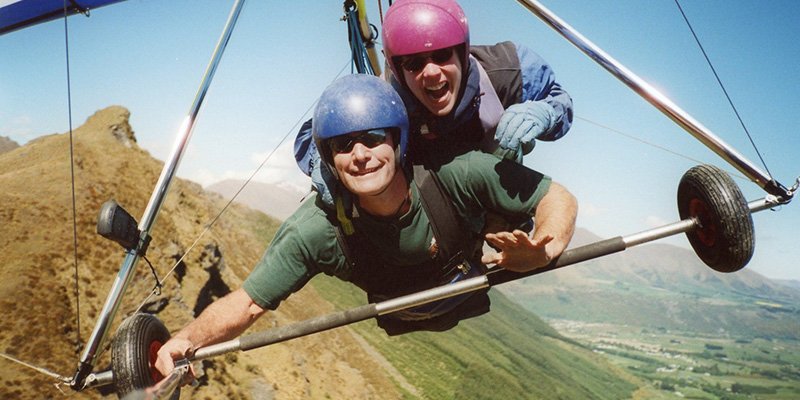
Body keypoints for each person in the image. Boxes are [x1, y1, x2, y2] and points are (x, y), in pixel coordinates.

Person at [155, 74, 577, 377]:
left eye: (374, 137)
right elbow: (247, 302)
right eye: (343, 144)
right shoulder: (318, 228)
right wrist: (184, 340)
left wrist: (544, 247)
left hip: (462, 273)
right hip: (403, 306)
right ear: (329, 159)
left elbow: (556, 197)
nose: (360, 154)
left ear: (398, 141)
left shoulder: (456, 174)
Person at [294, 0, 573, 208]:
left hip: (490, 183)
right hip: (430, 195)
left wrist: (547, 113)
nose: (431, 73)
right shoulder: (385, 97)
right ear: (398, 69)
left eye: (441, 56)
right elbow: (320, 126)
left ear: (461, 52)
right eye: (413, 64)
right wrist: (322, 158)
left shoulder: (507, 70)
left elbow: (557, 97)